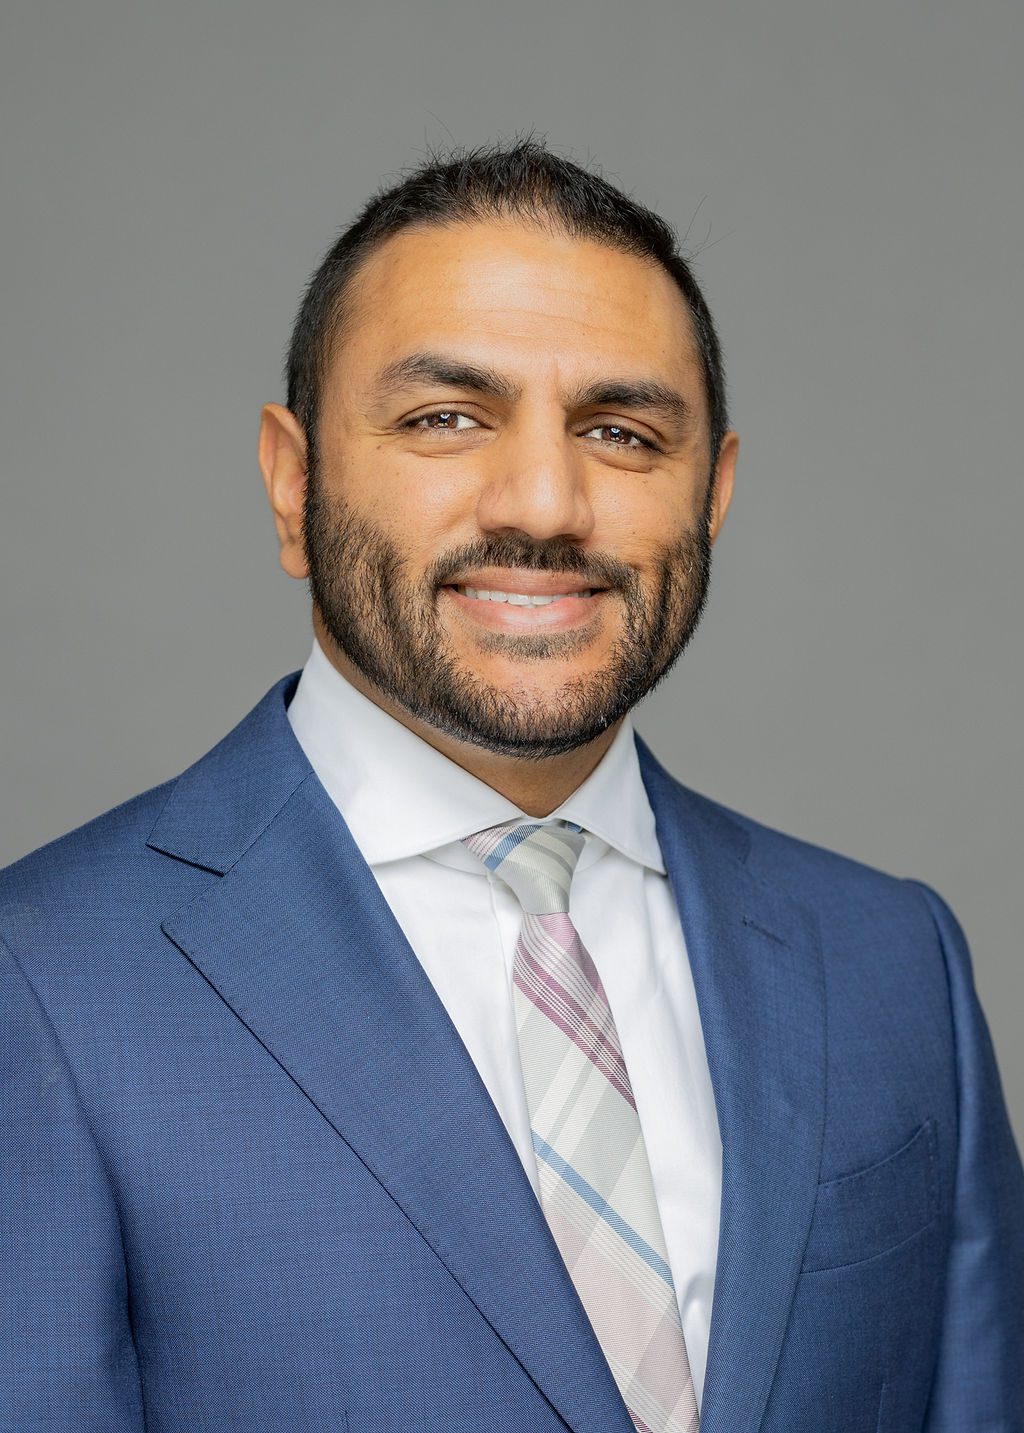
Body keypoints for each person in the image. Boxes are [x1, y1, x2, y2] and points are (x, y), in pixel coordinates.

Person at [2, 140, 1021, 1433]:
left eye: (621, 431)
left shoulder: (895, 963)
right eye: (446, 418)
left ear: (715, 494)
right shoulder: (40, 984)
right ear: (292, 479)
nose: (545, 499)